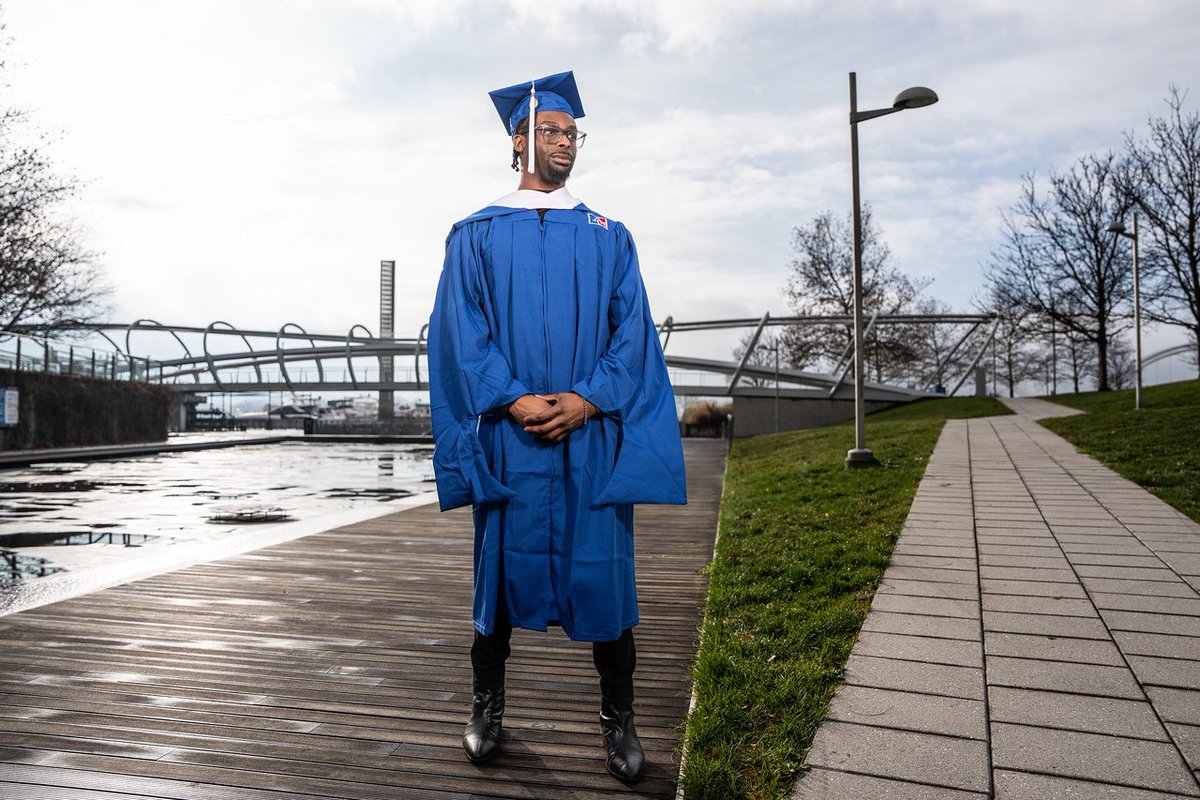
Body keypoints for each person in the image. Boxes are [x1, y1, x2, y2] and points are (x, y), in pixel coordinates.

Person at [426, 70, 687, 784]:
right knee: (497, 581)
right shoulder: (474, 234)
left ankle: (619, 720)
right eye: (550, 130)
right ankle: (486, 706)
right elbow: (460, 333)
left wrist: (590, 399)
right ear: (519, 139)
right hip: (511, 439)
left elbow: (631, 333)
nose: (564, 142)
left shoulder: (609, 236)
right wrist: (510, 399)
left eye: (571, 133)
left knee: (607, 580)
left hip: (588, 438)